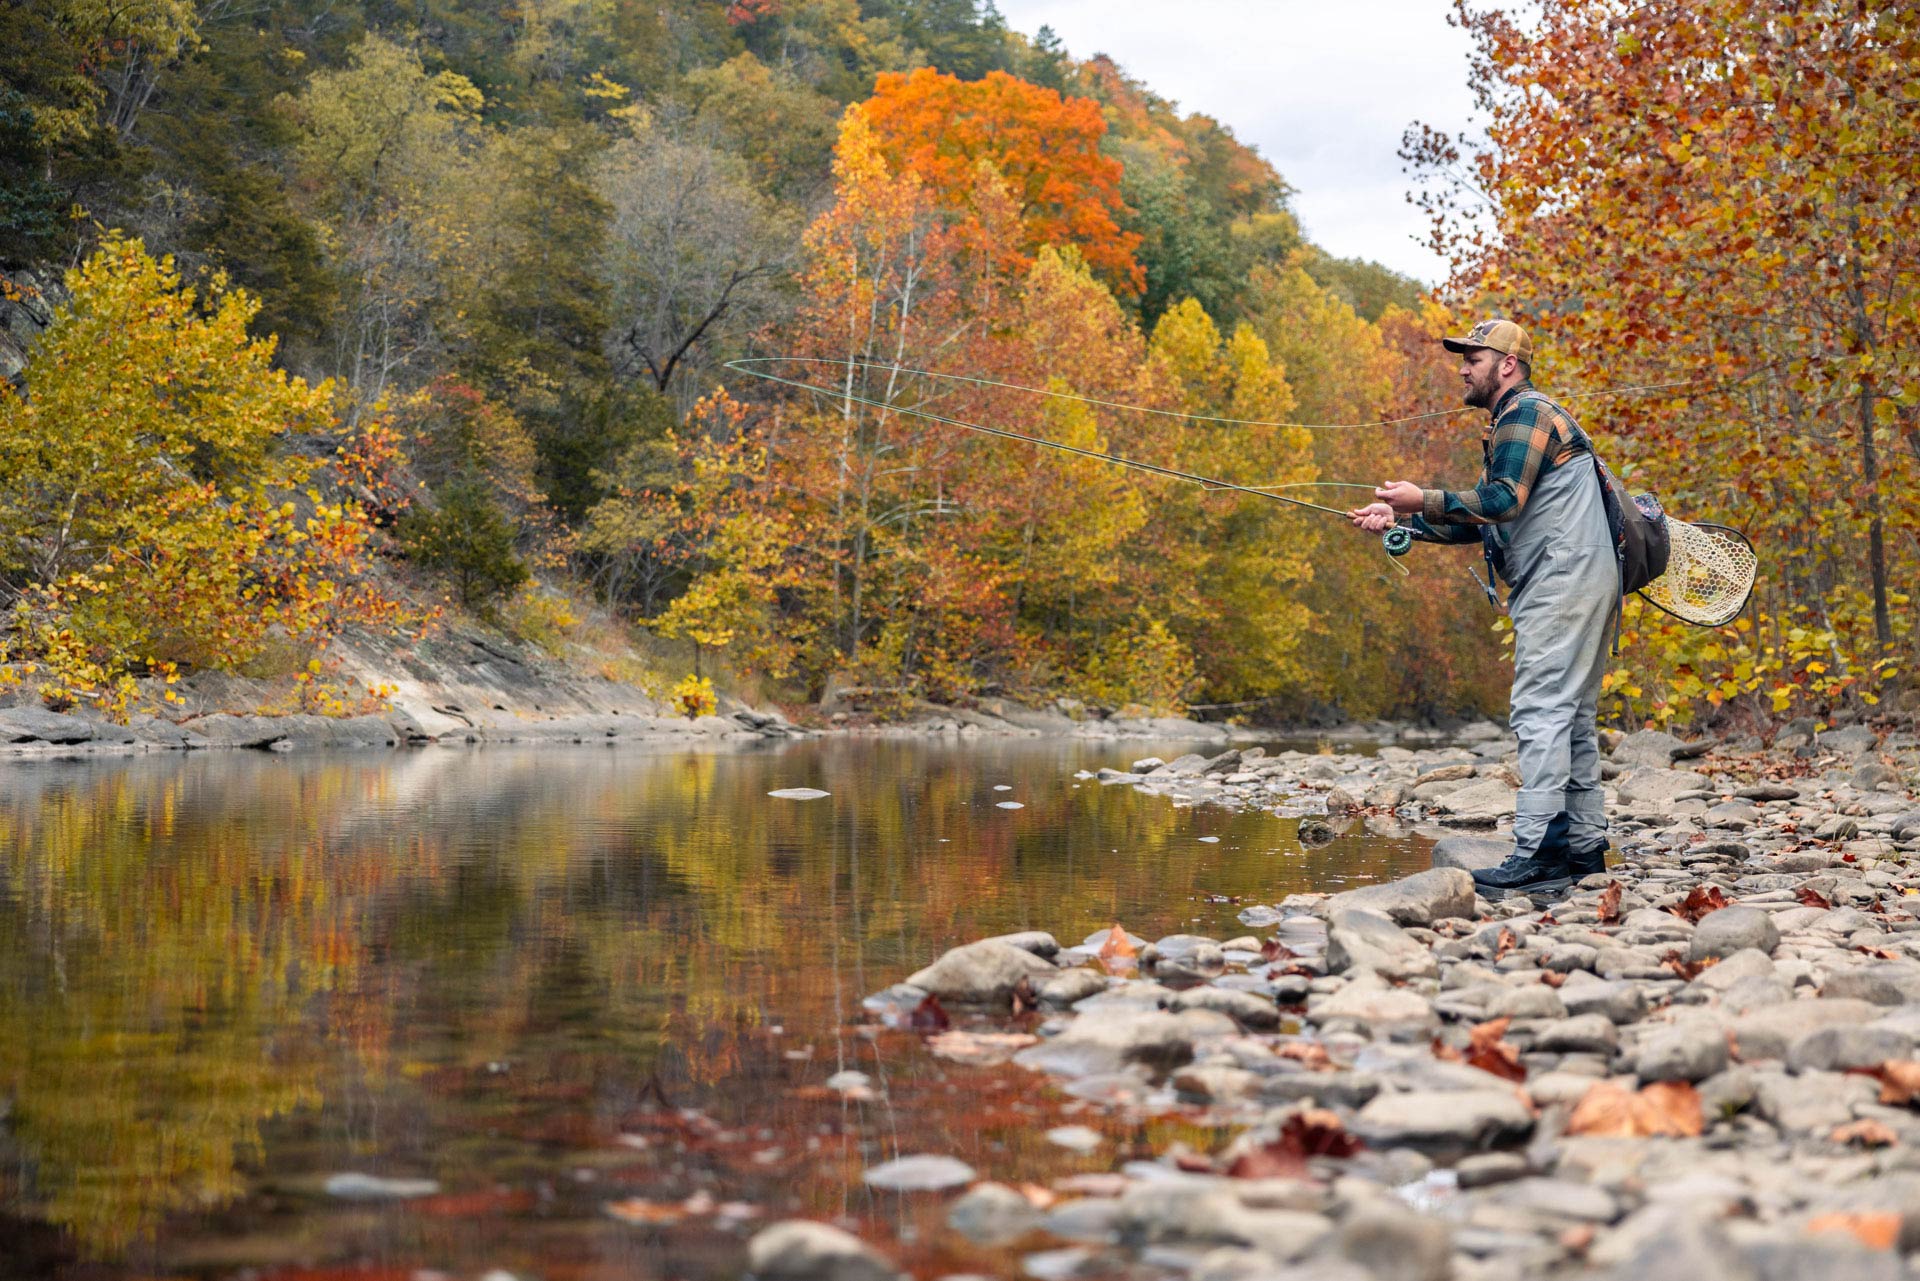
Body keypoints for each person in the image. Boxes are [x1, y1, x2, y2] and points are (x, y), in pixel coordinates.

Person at [1347, 319, 1618, 898]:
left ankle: (1539, 851)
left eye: (1473, 357)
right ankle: (1583, 850)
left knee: (1541, 708)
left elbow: (1500, 501)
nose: (1463, 367)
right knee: (1571, 716)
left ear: (1507, 366)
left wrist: (1424, 496)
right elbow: (1484, 524)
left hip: (1563, 581)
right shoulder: (1515, 423)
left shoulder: (1526, 413)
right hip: (1584, 579)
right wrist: (1402, 521)